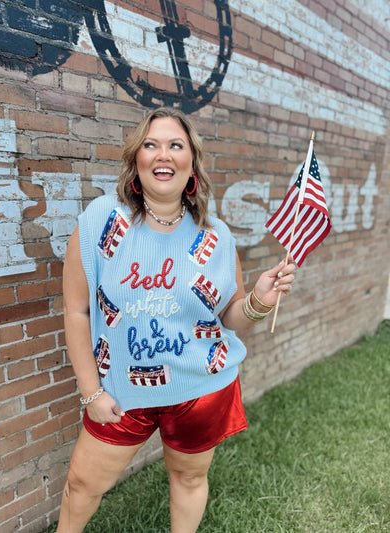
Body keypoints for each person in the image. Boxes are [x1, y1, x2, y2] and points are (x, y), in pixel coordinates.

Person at [57, 107, 296, 533]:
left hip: (200, 389)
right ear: (137, 160)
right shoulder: (100, 221)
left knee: (189, 478)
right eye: (150, 144)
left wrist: (260, 298)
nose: (162, 154)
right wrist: (91, 391)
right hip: (119, 391)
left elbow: (230, 315)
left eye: (175, 145)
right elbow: (76, 310)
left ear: (191, 164)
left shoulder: (217, 237)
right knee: (82, 484)